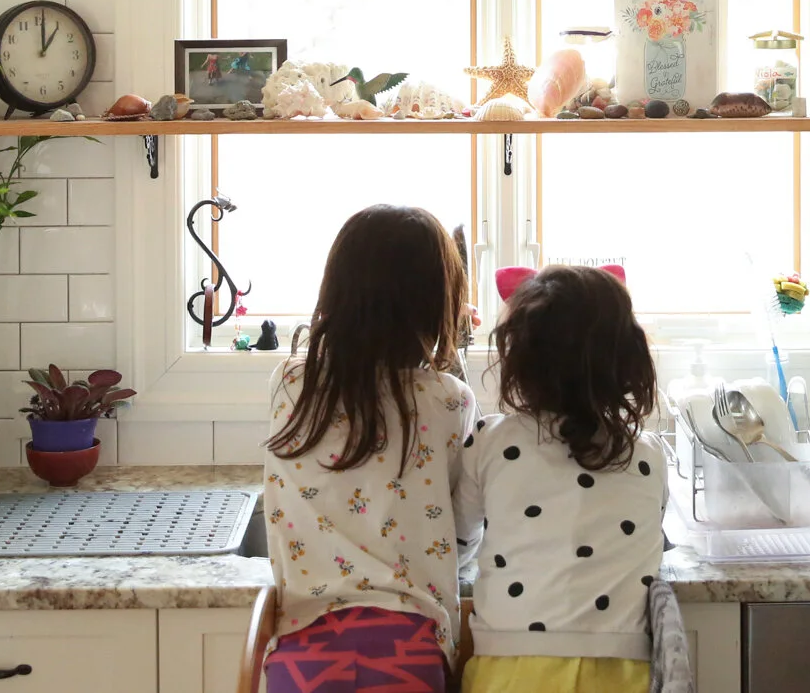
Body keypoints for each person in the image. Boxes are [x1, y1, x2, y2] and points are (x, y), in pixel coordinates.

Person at [262, 205, 476, 693]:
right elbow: (464, 526)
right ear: (434, 299)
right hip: (410, 650)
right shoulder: (447, 398)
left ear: (337, 289)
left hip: (303, 653)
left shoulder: (291, 383)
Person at [458, 265, 665, 693]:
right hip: (620, 670)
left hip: (510, 667)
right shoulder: (647, 455)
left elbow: (459, 540)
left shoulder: (491, 442)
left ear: (521, 359)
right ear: (627, 358)